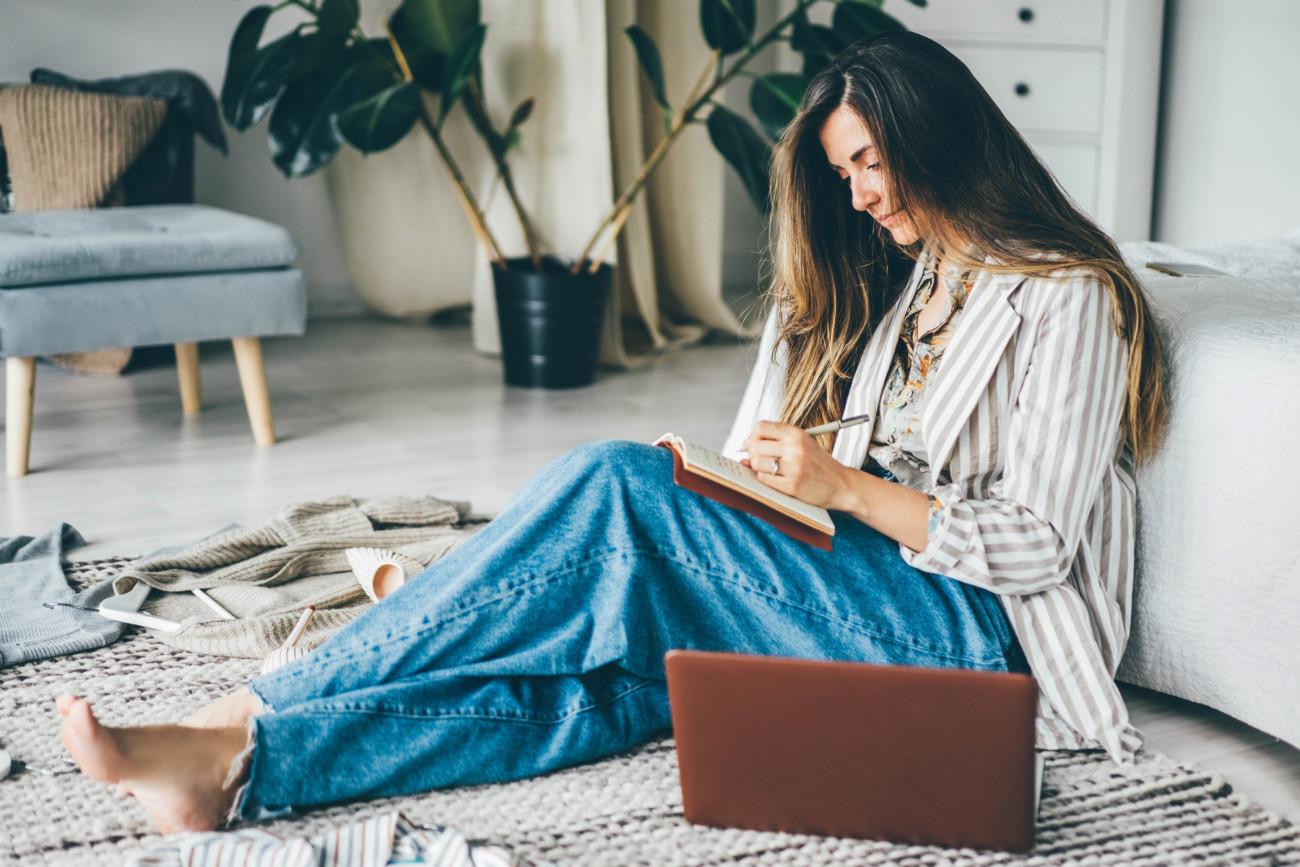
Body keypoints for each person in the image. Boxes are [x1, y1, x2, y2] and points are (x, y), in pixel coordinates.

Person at [56, 31, 1168, 834]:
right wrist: (784, 447)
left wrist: (844, 488)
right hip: (868, 589)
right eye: (843, 173)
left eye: (872, 161)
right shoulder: (909, 285)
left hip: (980, 639)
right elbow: (790, 462)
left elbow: (1037, 545)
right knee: (610, 678)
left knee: (614, 485)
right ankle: (242, 768)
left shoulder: (1062, 294)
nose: (863, 194)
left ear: (943, 140)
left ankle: (245, 707)